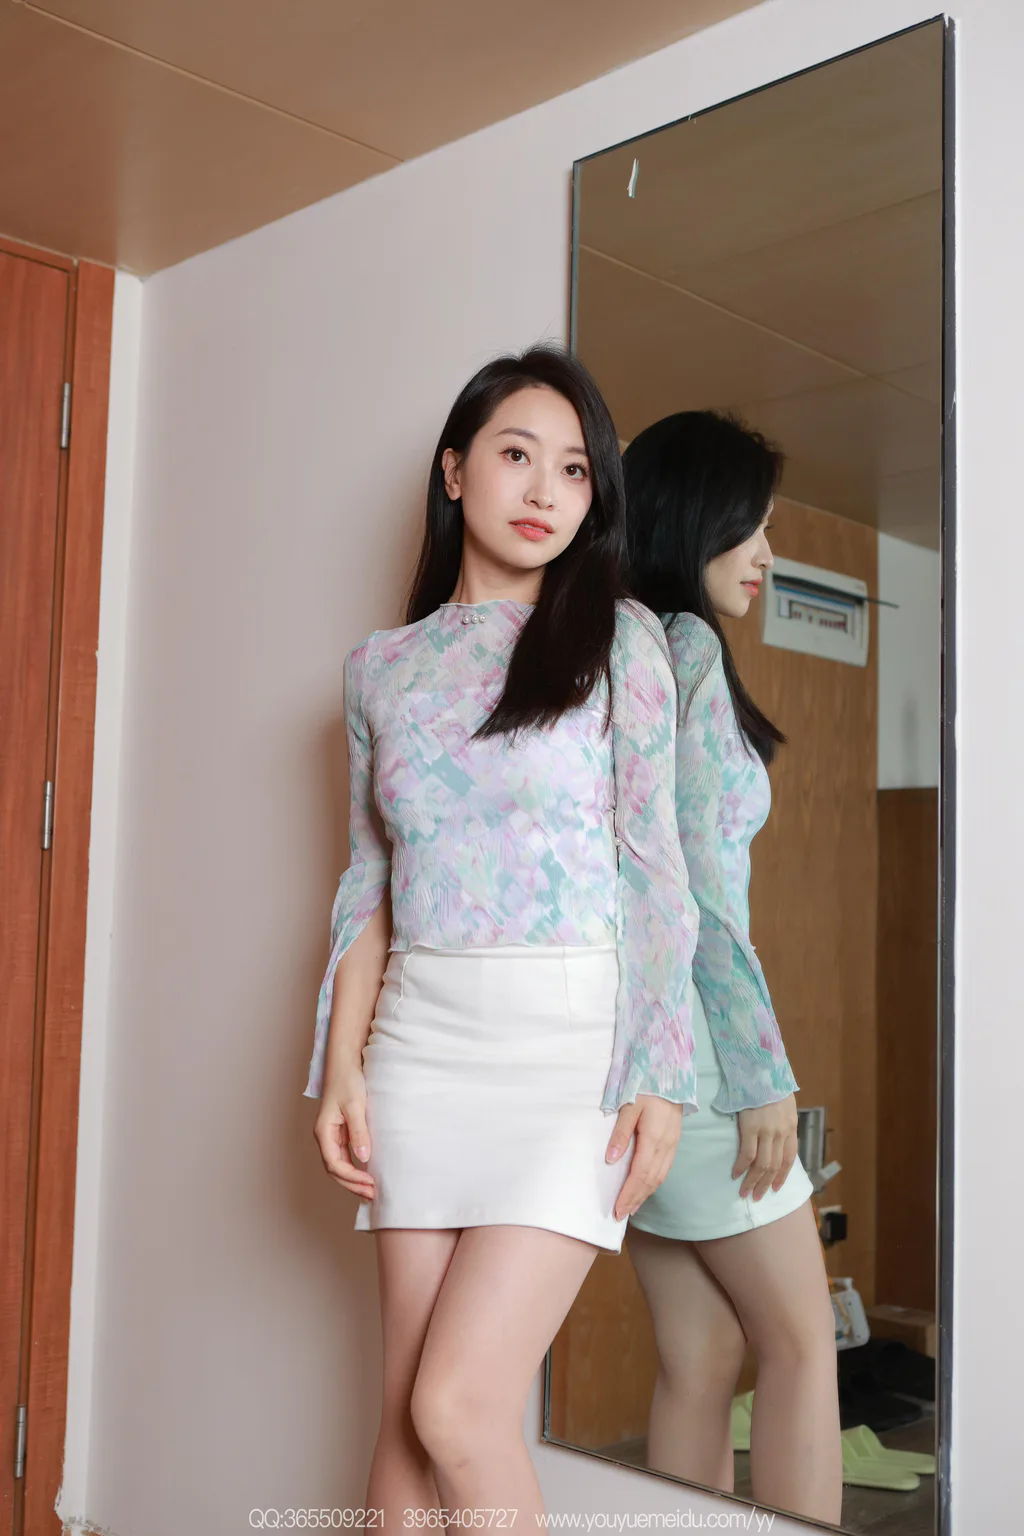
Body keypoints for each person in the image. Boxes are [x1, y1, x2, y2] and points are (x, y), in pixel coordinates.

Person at [303, 345, 702, 1529]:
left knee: (458, 1409)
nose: (544, 491)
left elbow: (655, 871)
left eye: (574, 470)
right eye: (517, 455)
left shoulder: (623, 642)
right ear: (454, 470)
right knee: (400, 1417)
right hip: (419, 1045)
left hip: (569, 1054)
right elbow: (370, 878)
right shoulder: (379, 672)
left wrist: (660, 1073)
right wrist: (341, 1065)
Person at [621, 410, 842, 1524]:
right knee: (802, 1345)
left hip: (635, 1065)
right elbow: (701, 894)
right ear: (690, 518)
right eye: (749, 526)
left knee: (698, 1359)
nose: (765, 553)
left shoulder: (619, 649)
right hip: (707, 1068)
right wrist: (761, 1076)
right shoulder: (688, 651)